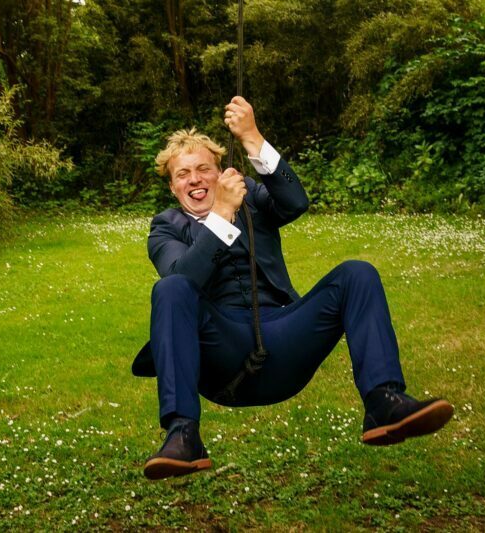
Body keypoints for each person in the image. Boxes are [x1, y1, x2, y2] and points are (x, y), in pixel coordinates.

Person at [132, 96, 453, 480]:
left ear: (222, 172)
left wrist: (251, 137)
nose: (196, 179)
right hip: (220, 353)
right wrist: (221, 214)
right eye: (183, 173)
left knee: (356, 273)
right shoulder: (165, 227)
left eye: (205, 168)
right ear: (172, 186)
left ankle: (383, 401)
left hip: (284, 337)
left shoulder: (250, 195)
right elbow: (182, 278)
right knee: (169, 290)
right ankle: (183, 434)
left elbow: (295, 203)